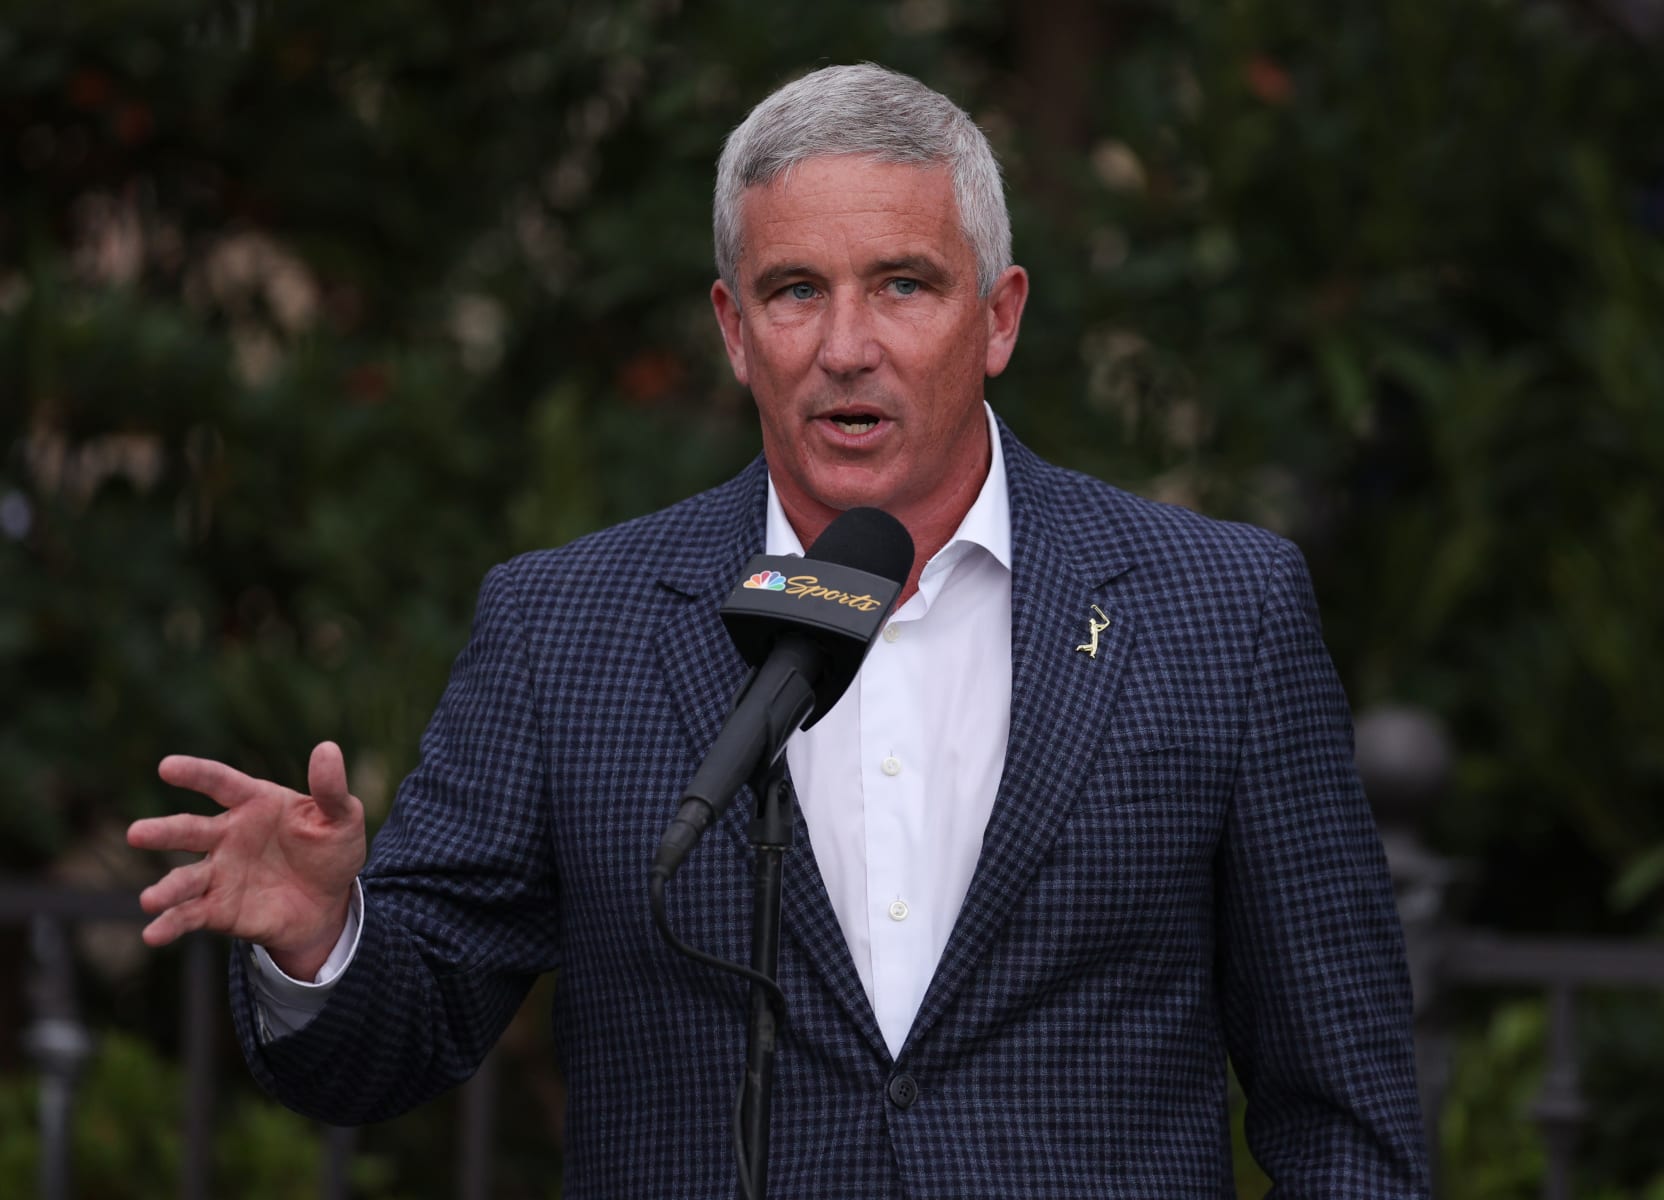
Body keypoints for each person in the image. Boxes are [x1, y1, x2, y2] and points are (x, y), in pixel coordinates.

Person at [130, 64, 1428, 1196]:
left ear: (1000, 318)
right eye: (796, 290)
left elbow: (1345, 1107)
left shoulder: (1217, 611)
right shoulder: (566, 628)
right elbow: (390, 1048)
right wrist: (323, 941)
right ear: (734, 331)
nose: (847, 346)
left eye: (905, 285)